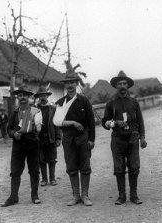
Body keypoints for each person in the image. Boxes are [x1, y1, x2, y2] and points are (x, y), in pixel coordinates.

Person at [102, 71, 147, 205]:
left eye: (124, 83)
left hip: (133, 138)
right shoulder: (111, 103)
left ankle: (134, 195)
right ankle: (122, 196)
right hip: (117, 139)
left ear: (128, 86)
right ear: (116, 86)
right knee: (119, 168)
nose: (122, 86)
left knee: (134, 167)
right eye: (119, 84)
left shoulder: (134, 102)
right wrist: (115, 123)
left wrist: (142, 137)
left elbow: (140, 121)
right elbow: (104, 122)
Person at [53, 70, 95, 206]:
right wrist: (73, 123)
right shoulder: (60, 102)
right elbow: (56, 122)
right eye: (67, 83)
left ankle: (85, 195)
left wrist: (91, 140)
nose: (70, 85)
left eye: (72, 82)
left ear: (76, 84)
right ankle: (75, 195)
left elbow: (91, 122)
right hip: (68, 139)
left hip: (83, 138)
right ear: (65, 85)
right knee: (71, 166)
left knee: (85, 166)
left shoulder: (84, 101)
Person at [0, 84, 42, 207]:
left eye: (24, 95)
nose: (22, 97)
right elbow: (8, 129)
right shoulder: (14, 113)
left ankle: (35, 195)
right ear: (17, 98)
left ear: (29, 97)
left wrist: (36, 128)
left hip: (32, 143)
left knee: (34, 170)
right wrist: (14, 134)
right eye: (19, 95)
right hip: (18, 144)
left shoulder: (36, 111)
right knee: (15, 171)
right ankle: (13, 197)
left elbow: (40, 128)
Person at [34, 86, 62, 186]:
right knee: (41, 159)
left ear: (47, 96)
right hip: (39, 138)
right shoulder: (34, 109)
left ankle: (52, 179)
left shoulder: (53, 109)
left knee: (52, 159)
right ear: (38, 97)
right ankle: (44, 179)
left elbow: (57, 124)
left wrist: (58, 138)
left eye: (44, 95)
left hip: (51, 137)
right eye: (40, 95)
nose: (43, 97)